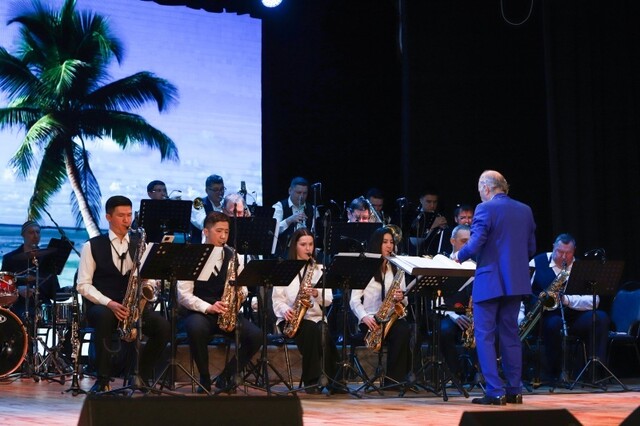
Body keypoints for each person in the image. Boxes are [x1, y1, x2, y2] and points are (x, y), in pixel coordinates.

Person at [453, 170, 536, 405]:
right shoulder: (525, 210)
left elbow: (476, 241)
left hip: (490, 280)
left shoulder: (485, 208)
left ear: (486, 188)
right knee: (511, 334)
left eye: (480, 190)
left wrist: (459, 255)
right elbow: (531, 248)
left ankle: (495, 391)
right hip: (516, 282)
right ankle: (515, 390)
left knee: (485, 335)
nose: (480, 194)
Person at [76, 196, 171, 393]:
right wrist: (109, 303)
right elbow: (83, 285)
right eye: (121, 216)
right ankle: (102, 379)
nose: (127, 220)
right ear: (108, 217)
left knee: (163, 327)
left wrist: (149, 284)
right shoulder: (92, 246)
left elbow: (147, 279)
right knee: (103, 318)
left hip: (132, 306)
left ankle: (141, 375)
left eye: (129, 215)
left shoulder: (139, 244)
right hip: (103, 306)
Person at [177, 212, 262, 393]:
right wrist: (208, 307)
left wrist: (237, 297)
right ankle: (204, 378)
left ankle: (227, 376)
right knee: (195, 328)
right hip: (201, 311)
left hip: (226, 311)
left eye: (226, 232)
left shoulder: (234, 255)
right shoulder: (192, 255)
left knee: (256, 336)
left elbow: (243, 287)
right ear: (206, 232)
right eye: (219, 231)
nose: (223, 236)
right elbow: (183, 295)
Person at [529, 233, 610, 383]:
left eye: (568, 253)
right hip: (547, 316)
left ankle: (595, 372)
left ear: (574, 251)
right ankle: (554, 373)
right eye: (560, 252)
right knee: (554, 324)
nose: (564, 257)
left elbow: (594, 300)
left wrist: (567, 300)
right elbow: (526, 293)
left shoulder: (580, 267)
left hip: (574, 316)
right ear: (553, 247)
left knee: (600, 317)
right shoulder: (537, 262)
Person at [272, 229, 339, 394]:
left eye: (310, 244)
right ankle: (315, 380)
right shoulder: (284, 269)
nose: (308, 248)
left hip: (315, 317)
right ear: (295, 246)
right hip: (290, 319)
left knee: (322, 330)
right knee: (311, 330)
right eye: (303, 245)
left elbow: (329, 299)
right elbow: (277, 300)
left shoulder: (320, 269)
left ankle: (333, 380)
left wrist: (316, 293)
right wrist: (285, 310)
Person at [350, 226, 412, 387]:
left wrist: (401, 298)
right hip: (371, 320)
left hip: (390, 317)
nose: (389, 245)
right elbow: (354, 300)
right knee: (400, 332)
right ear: (377, 244)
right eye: (385, 242)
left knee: (403, 330)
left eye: (391, 242)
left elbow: (405, 300)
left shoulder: (397, 268)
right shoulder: (365, 267)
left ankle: (394, 381)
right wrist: (364, 317)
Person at [2, 221, 61, 321]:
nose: (35, 236)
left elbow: (54, 292)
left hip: (43, 307)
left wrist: (69, 290)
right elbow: (4, 288)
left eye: (38, 232)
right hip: (18, 306)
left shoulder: (47, 258)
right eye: (31, 232)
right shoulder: (10, 259)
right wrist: (18, 290)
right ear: (23, 235)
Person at [439, 224, 473, 380]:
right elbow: (436, 299)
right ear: (452, 241)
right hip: (449, 313)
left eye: (470, 242)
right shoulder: (442, 263)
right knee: (445, 331)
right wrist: (454, 316)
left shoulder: (476, 265)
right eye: (464, 241)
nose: (468, 246)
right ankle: (455, 373)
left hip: (472, 314)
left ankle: (476, 373)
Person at [272, 177, 315, 258]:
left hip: (305, 251)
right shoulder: (279, 206)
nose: (301, 196)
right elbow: (273, 230)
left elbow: (314, 232)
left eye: (305, 193)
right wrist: (289, 220)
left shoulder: (311, 209)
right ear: (290, 191)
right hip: (284, 252)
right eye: (298, 193)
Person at [409, 187, 448, 256]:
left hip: (434, 254)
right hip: (417, 255)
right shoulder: (413, 216)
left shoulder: (439, 215)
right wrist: (432, 225)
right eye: (428, 202)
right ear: (421, 200)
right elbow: (414, 243)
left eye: (435, 202)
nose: (432, 205)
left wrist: (444, 230)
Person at [190, 174, 225, 244]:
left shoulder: (225, 205)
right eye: (216, 190)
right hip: (201, 246)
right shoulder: (198, 202)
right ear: (207, 190)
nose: (220, 193)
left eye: (222, 189)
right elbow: (203, 224)